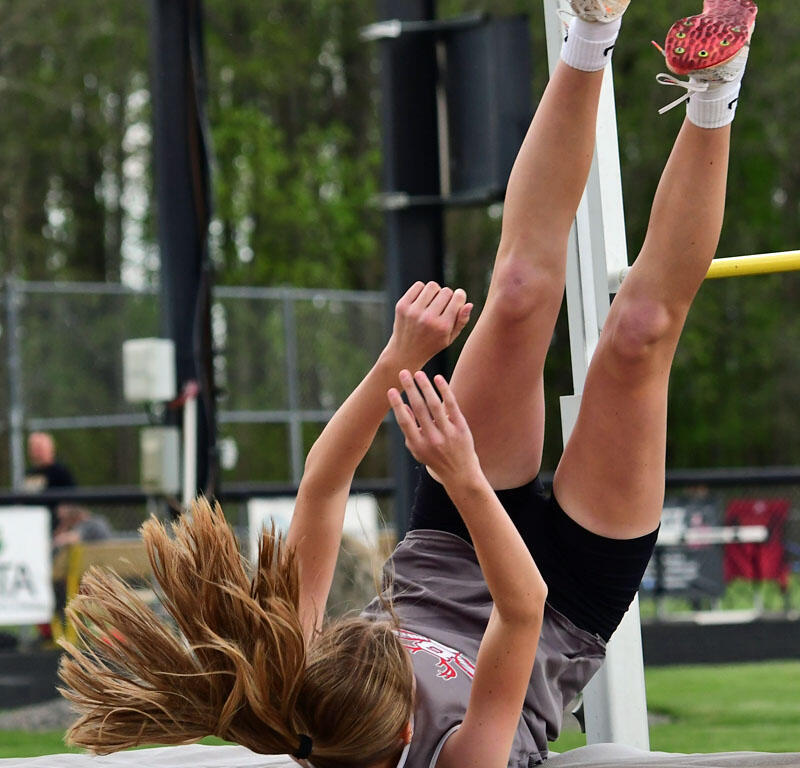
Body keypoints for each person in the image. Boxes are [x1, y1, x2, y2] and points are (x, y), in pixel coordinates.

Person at [58, 1, 759, 766]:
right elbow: (521, 611)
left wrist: (398, 359)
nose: (367, 621)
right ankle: (717, 91)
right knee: (638, 337)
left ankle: (591, 29)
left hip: (448, 545)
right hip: (564, 606)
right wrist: (459, 474)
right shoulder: (458, 758)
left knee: (522, 290)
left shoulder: (306, 695)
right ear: (401, 735)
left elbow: (323, 486)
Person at [24, 431, 76, 532]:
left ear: (51, 448)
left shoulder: (60, 472)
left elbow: (71, 502)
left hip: (53, 525)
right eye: (33, 447)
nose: (37, 451)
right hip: (31, 524)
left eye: (40, 447)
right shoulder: (30, 474)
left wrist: (62, 527)